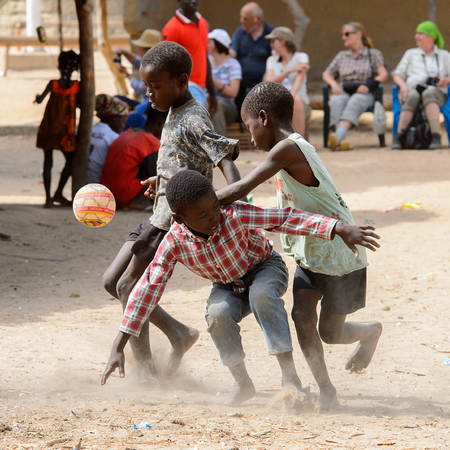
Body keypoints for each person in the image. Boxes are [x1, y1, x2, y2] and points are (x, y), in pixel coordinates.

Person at [101, 169, 380, 407]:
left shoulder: (234, 214)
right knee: (217, 315)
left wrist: (337, 228)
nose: (213, 216)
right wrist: (118, 344)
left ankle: (290, 377)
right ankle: (243, 383)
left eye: (214, 206)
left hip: (265, 268)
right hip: (227, 285)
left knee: (261, 296)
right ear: (179, 219)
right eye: (202, 214)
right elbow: (147, 288)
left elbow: (286, 218)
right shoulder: (173, 242)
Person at [216, 81, 382, 411]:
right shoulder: (285, 151)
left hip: (340, 254)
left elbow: (241, 189)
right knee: (301, 315)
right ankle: (327, 389)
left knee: (330, 333)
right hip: (311, 252)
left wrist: (188, 204)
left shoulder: (288, 148)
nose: (250, 138)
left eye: (250, 128)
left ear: (263, 117)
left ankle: (371, 331)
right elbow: (241, 192)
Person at [101, 41, 243, 380]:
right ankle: (179, 333)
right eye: (146, 85)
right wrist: (162, 178)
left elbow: (225, 163)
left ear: (181, 81)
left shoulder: (194, 117)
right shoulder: (173, 108)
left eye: (155, 86)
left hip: (172, 221)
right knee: (111, 282)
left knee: (127, 288)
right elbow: (186, 158)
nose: (148, 93)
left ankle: (146, 374)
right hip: (158, 212)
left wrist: (226, 202)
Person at [322, 22, 388, 151]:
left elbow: (383, 75)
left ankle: (338, 135)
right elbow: (327, 73)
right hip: (345, 90)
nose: (343, 38)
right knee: (336, 100)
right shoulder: (342, 56)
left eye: (346, 34)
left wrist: (369, 85)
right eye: (342, 35)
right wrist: (334, 84)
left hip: (364, 92)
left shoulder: (373, 54)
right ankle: (341, 139)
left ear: (358, 34)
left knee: (356, 101)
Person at [392, 21, 450, 150]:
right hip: (412, 90)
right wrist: (403, 86)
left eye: (420, 34)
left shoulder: (444, 56)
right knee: (413, 95)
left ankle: (436, 136)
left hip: (437, 93)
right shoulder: (410, 54)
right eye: (416, 34)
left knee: (429, 93)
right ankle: (399, 136)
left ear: (431, 37)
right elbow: (397, 74)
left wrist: (445, 80)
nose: (416, 37)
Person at [34, 50, 80, 208]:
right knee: (71, 160)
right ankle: (58, 192)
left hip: (48, 129)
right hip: (65, 132)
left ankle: (48, 199)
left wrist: (37, 97)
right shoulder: (76, 87)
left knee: (48, 162)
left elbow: (40, 100)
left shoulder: (53, 84)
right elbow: (82, 105)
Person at [100, 106, 167, 210]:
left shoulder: (127, 133)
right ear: (160, 123)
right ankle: (139, 201)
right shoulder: (150, 142)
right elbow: (157, 174)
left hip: (107, 191)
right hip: (124, 194)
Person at [161, 0, 217, 113]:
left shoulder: (203, 23)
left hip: (200, 89)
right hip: (184, 88)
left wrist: (212, 93)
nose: (193, 1)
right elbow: (167, 65)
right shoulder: (172, 28)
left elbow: (204, 59)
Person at [263, 26, 310, 136]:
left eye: (273, 41)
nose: (271, 44)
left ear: (283, 41)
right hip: (278, 103)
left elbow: (299, 80)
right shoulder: (272, 60)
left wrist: (291, 97)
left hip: (299, 104)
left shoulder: (301, 57)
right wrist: (288, 71)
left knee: (296, 99)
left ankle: (300, 144)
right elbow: (269, 82)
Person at [230, 2, 274, 112]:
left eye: (245, 19)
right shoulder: (240, 32)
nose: (241, 21)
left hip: (262, 78)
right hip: (241, 78)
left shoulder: (271, 33)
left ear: (257, 19)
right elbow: (232, 53)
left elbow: (276, 56)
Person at [87, 94, 129, 184]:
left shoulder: (89, 131)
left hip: (84, 183)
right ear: (114, 117)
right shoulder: (114, 138)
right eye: (123, 121)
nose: (123, 126)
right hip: (100, 186)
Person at [207, 29, 242, 136]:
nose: (206, 44)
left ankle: (220, 148)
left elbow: (233, 92)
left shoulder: (233, 64)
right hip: (206, 104)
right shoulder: (208, 64)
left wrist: (213, 82)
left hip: (228, 108)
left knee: (217, 105)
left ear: (218, 44)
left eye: (209, 42)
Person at [116, 29, 162, 102]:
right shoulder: (157, 62)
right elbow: (138, 62)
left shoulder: (154, 69)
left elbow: (139, 88)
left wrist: (127, 74)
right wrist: (125, 53)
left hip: (149, 108)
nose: (138, 49)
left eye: (140, 47)